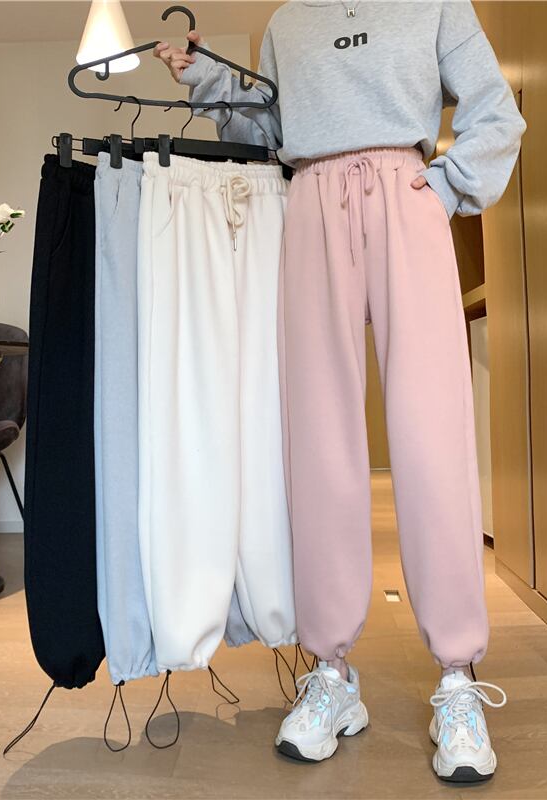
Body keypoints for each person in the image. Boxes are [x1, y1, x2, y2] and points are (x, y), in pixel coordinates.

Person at [154, 0, 526, 782]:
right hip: (312, 200)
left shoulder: (435, 6)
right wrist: (208, 78)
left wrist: (446, 188)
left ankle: (457, 678)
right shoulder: (287, 22)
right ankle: (331, 672)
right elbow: (264, 128)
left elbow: (496, 109)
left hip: (407, 196)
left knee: (432, 438)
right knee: (319, 442)